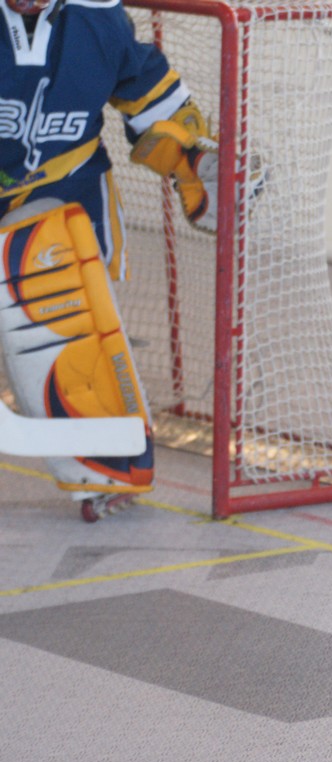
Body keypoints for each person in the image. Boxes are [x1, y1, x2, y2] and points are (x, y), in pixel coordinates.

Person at [0, 0, 216, 521]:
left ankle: (103, 468)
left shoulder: (98, 19)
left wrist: (195, 161)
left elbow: (155, 105)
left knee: (68, 335)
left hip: (64, 198)